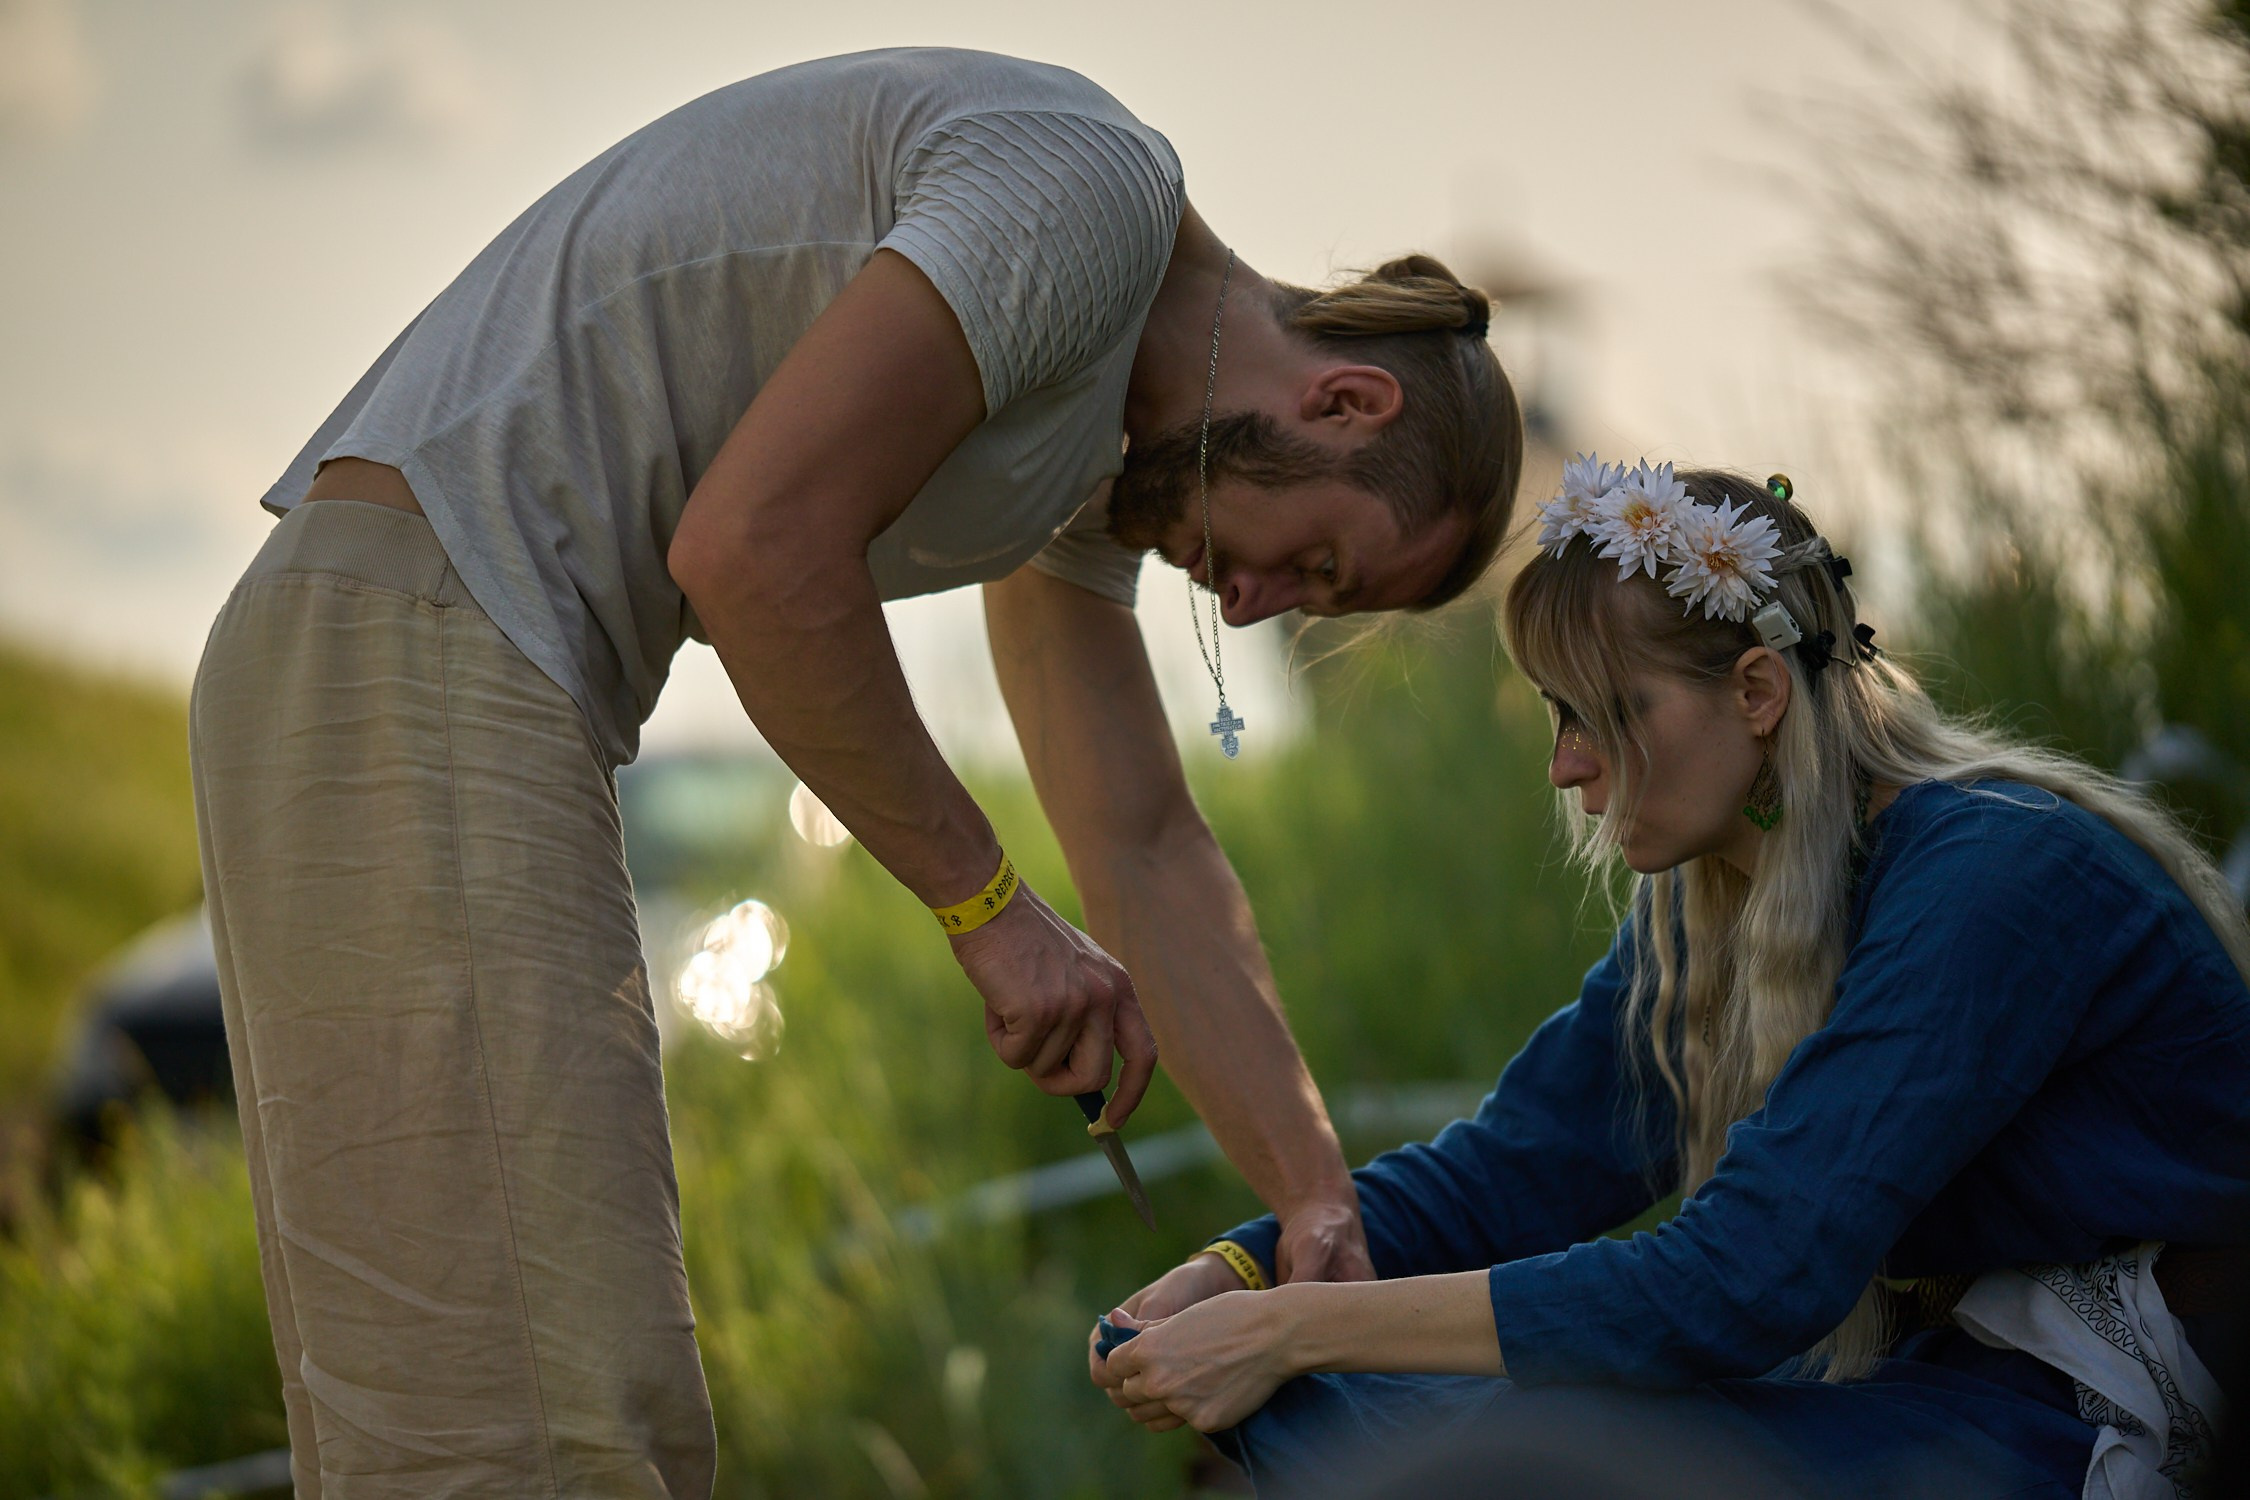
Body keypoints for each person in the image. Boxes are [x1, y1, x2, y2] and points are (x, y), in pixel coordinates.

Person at [188, 46, 1523, 1499]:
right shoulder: (1090, 195)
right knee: (540, 1433)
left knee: (487, 1404)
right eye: (1316, 564)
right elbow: (754, 552)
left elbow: (1142, 843)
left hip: (430, 659)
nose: (1254, 609)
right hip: (418, 643)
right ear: (1345, 405)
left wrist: (1312, 1199)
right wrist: (988, 909)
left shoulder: (1087, 446)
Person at [1092, 459, 2250, 1500]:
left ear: (1756, 691)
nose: (1565, 765)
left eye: (1601, 714)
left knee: (1510, 1455)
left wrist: (1293, 1327)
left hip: (2103, 1406)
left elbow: (1747, 1279)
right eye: (1557, 717)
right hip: (1943, 1376)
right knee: (1340, 1414)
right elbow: (1511, 1173)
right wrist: (1232, 1273)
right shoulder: (1716, 906)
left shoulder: (1995, 875)